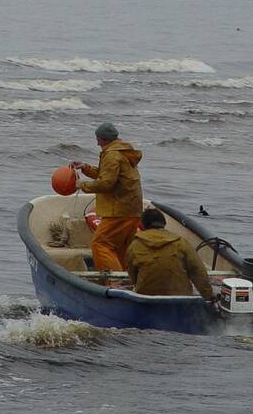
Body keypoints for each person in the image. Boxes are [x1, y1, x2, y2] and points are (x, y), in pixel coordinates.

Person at [70, 122, 143, 272]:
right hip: (132, 209)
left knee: (100, 244)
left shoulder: (111, 155)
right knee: (122, 247)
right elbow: (106, 174)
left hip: (119, 210)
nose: (96, 142)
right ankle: (129, 278)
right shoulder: (122, 151)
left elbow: (106, 184)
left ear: (104, 139)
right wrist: (85, 167)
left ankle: (116, 282)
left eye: (98, 138)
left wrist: (81, 185)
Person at [125, 208, 215, 301]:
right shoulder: (181, 243)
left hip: (146, 299)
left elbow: (132, 275)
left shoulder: (134, 246)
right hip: (179, 300)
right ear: (164, 223)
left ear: (143, 225)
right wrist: (209, 297)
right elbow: (198, 271)